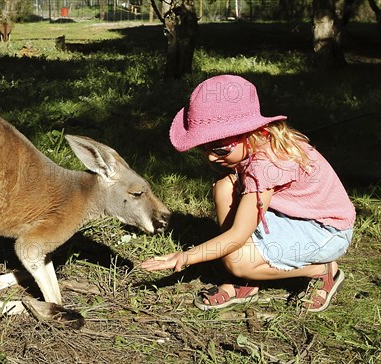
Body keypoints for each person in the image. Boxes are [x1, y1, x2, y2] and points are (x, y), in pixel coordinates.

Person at [142, 75, 355, 312]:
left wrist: (185, 257)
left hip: (326, 230)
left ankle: (321, 270)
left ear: (250, 132)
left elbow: (238, 234)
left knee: (236, 259)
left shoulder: (266, 165)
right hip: (291, 216)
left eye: (220, 148)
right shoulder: (258, 143)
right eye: (204, 148)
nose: (211, 157)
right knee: (225, 187)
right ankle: (248, 276)